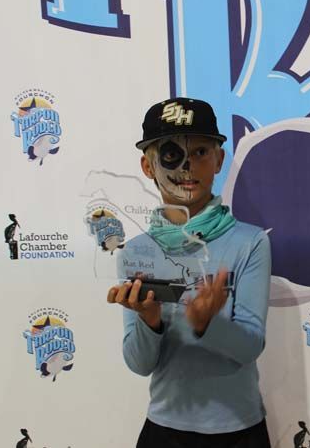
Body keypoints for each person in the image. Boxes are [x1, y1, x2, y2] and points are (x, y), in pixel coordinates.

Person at [107, 97, 272, 448]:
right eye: (171, 153)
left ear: (219, 160)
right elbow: (139, 363)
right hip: (164, 431)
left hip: (239, 430)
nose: (187, 167)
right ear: (148, 166)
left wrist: (207, 323)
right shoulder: (135, 251)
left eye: (200, 152)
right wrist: (150, 321)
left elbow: (250, 348)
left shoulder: (250, 242)